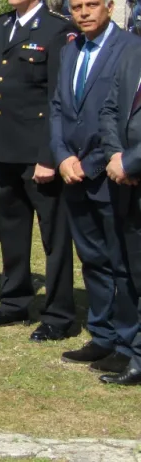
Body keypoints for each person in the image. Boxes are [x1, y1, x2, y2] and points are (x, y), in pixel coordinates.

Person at [0, 0, 77, 341]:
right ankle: (15, 301)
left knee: (54, 237)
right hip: (4, 151)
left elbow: (58, 99)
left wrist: (50, 156)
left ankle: (59, 314)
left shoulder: (56, 30)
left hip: (39, 155)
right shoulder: (3, 26)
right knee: (13, 231)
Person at [51, 0, 138, 370]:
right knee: (92, 259)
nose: (84, 13)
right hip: (72, 174)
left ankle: (127, 342)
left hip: (112, 175)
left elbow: (119, 119)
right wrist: (61, 157)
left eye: (91, 5)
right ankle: (102, 335)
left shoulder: (129, 49)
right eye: (76, 7)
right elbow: (58, 108)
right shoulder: (70, 50)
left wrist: (91, 164)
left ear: (109, 7)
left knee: (122, 263)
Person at [98, 39, 141, 385]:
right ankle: (131, 350)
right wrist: (115, 155)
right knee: (129, 271)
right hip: (124, 182)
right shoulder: (133, 54)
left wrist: (130, 162)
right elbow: (110, 109)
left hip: (132, 170)